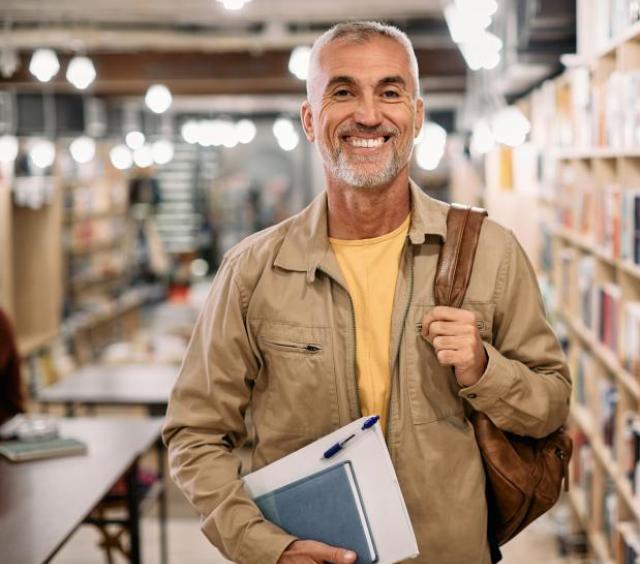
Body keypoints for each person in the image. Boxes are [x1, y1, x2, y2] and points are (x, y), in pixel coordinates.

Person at [162, 21, 570, 564]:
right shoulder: (252, 271)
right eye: (343, 91)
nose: (370, 115)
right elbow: (195, 434)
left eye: (391, 92)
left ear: (417, 117)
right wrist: (266, 548)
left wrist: (483, 369)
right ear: (311, 120)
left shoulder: (490, 253)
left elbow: (552, 404)